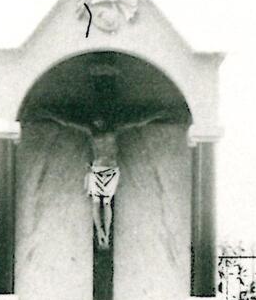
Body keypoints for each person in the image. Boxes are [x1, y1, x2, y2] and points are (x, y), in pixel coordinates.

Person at [38, 107, 175, 249]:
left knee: (106, 203)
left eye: (99, 119)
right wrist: (50, 115)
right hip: (99, 168)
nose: (97, 122)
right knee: (98, 203)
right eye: (95, 120)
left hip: (109, 169)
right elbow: (68, 122)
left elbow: (136, 122)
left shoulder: (114, 129)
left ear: (104, 120)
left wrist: (155, 116)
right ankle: (100, 232)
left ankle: (107, 232)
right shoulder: (91, 131)